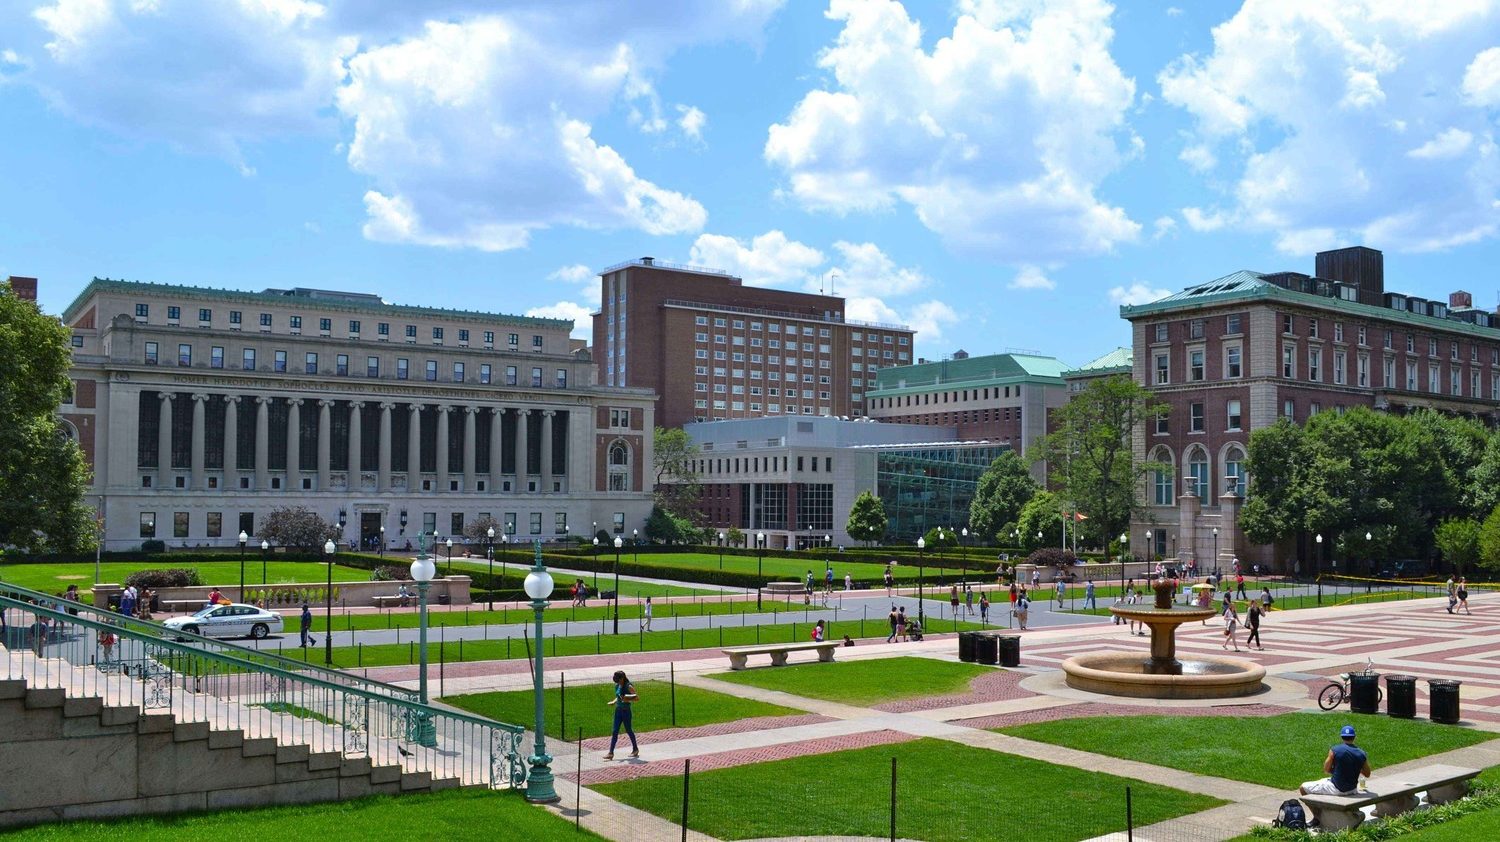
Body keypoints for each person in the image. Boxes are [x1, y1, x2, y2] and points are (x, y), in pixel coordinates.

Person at [1300, 725, 1371, 796]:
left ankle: (1315, 808)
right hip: (1352, 789)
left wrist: (1336, 770)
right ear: (1354, 737)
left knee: (1303, 787)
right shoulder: (1361, 753)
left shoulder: (1334, 750)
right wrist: (1355, 767)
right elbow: (1367, 774)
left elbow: (1326, 769)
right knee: (1323, 780)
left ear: (1341, 737)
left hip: (1336, 789)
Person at [603, 670, 639, 760]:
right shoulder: (617, 686)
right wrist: (614, 701)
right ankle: (611, 753)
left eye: (618, 680)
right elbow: (619, 696)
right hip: (618, 711)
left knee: (628, 730)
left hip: (626, 711)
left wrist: (628, 700)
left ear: (622, 678)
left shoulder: (628, 686)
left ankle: (635, 749)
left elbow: (637, 697)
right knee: (615, 731)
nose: (617, 682)